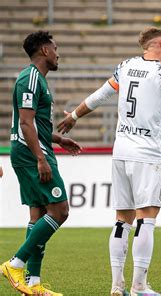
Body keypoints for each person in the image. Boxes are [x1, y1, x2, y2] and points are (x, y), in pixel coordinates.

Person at [56, 27, 161, 296]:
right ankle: (139, 286)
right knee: (146, 218)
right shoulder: (160, 72)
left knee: (121, 219)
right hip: (146, 154)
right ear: (160, 44)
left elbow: (101, 94)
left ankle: (116, 285)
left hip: (121, 150)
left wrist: (74, 116)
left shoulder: (125, 67)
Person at [1, 30, 82, 296]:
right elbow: (25, 123)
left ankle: (34, 284)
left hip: (36, 149)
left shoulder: (38, 80)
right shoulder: (31, 78)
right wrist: (40, 158)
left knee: (37, 215)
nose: (58, 53)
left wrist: (58, 139)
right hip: (30, 153)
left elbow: (33, 121)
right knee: (59, 211)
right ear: (44, 51)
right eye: (55, 48)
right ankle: (15, 264)